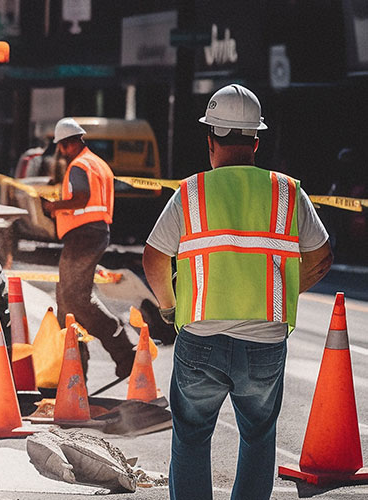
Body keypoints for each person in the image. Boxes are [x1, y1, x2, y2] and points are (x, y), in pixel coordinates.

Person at [142, 84, 332, 500]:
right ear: (256, 142)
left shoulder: (190, 193)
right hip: (264, 341)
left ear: (211, 140)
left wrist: (170, 309)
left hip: (201, 339)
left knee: (191, 437)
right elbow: (321, 257)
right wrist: (282, 295)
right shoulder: (287, 192)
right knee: (259, 438)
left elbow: (154, 259)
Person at [42, 117, 134, 378]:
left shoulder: (79, 165)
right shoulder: (98, 164)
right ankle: (75, 366)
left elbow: (81, 199)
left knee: (74, 299)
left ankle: (121, 351)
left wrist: (53, 207)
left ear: (64, 145)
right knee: (69, 298)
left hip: (83, 236)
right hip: (94, 234)